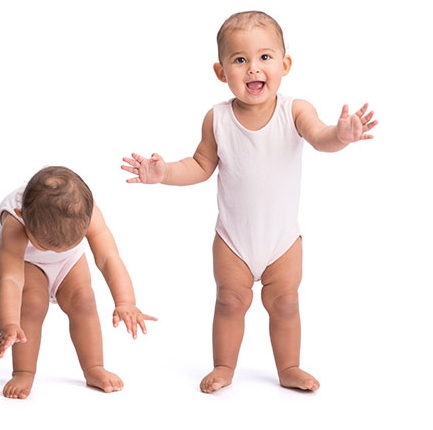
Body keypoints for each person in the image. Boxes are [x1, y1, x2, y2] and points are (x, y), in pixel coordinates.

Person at [121, 10, 377, 393]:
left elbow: (321, 137)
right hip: (233, 240)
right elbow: (200, 165)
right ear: (221, 71)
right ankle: (224, 366)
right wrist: (164, 173)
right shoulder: (217, 119)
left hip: (282, 242)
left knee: (286, 303)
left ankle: (289, 367)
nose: (253, 69)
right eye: (240, 60)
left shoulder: (295, 111)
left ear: (284, 64)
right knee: (228, 301)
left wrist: (340, 135)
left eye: (265, 58)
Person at [0, 166, 155, 399]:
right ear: (23, 216)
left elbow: (108, 258)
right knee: (33, 302)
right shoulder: (15, 221)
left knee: (84, 299)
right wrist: (9, 324)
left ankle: (94, 367)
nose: (54, 251)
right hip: (26, 261)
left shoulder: (86, 212)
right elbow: (12, 279)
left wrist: (126, 301)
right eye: (49, 246)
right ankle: (23, 371)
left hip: (69, 260)